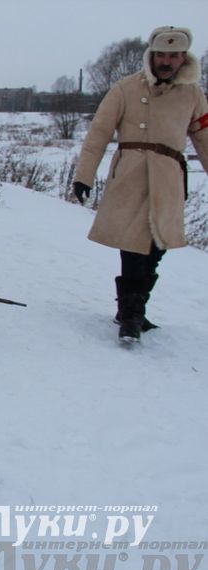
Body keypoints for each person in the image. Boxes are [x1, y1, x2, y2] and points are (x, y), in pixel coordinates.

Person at [73, 26, 208, 342]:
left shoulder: (193, 94)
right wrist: (83, 176)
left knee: (156, 249)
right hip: (131, 177)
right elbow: (99, 134)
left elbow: (203, 137)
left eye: (173, 56)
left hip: (169, 180)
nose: (166, 61)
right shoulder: (125, 88)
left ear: (182, 58)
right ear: (152, 55)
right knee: (133, 248)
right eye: (161, 54)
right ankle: (132, 316)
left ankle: (132, 309)